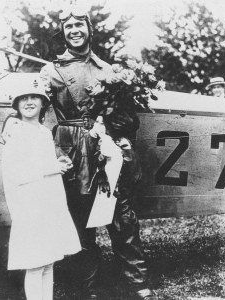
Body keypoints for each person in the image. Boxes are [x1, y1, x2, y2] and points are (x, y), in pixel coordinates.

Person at [40, 5, 158, 300]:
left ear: (89, 29)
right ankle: (89, 288)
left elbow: (131, 120)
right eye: (69, 27)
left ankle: (138, 283)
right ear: (63, 34)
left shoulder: (110, 70)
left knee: (122, 217)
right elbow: (39, 114)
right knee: (80, 219)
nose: (75, 31)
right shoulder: (49, 70)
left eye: (80, 25)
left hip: (107, 150)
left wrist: (122, 122)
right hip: (72, 150)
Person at [1, 77, 82, 300]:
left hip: (49, 205)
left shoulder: (44, 132)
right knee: (35, 264)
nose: (29, 102)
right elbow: (15, 173)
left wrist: (60, 165)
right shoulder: (15, 131)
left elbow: (47, 166)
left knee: (49, 261)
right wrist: (51, 167)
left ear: (43, 103)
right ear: (16, 105)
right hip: (30, 207)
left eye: (34, 98)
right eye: (23, 98)